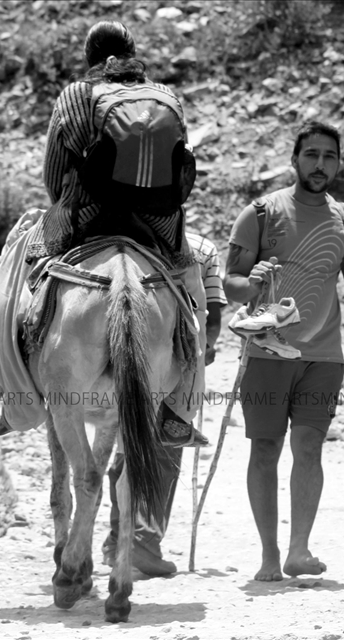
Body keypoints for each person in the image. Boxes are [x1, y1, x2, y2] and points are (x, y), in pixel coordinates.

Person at [0, 21, 207, 441]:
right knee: (193, 298)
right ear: (133, 53)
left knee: (15, 269)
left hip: (85, 216)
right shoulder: (166, 96)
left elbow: (53, 172)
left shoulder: (76, 95)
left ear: (89, 56)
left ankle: (12, 395)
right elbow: (181, 165)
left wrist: (68, 203)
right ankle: (180, 410)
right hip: (158, 223)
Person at [225, 121, 344, 581]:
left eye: (329, 156)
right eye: (312, 155)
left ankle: (298, 550)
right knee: (265, 447)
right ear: (295, 159)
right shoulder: (261, 213)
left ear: (339, 164)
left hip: (323, 356)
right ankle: (269, 555)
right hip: (266, 351)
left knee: (309, 446)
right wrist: (251, 283)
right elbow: (231, 283)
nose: (320, 164)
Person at [102, 232, 227, 576]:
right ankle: (142, 543)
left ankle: (116, 541)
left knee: (123, 445)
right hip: (167, 357)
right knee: (165, 440)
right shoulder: (199, 248)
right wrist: (203, 349)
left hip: (105, 359)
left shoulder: (107, 240)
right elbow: (210, 314)